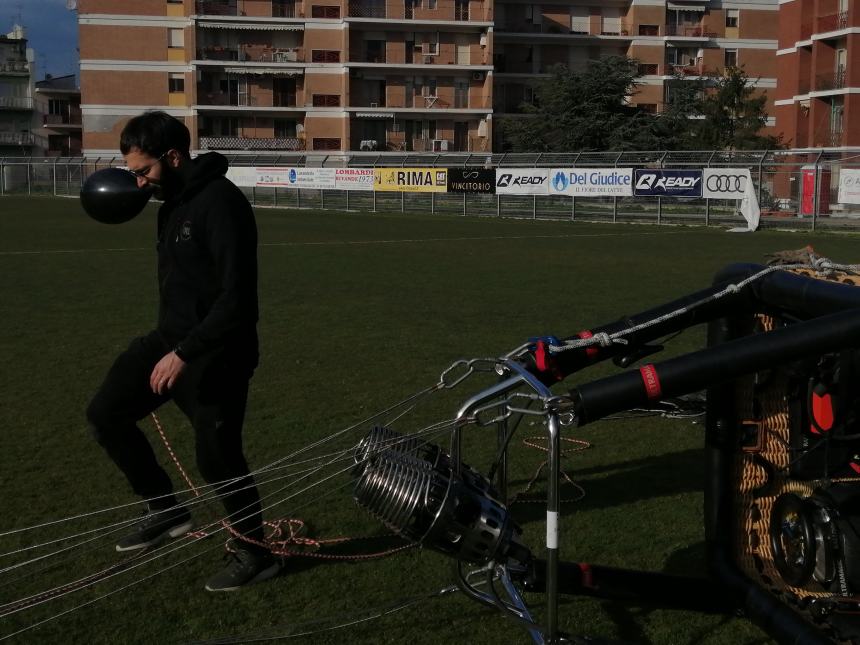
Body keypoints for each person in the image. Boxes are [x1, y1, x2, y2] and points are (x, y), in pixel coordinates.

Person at [86, 111, 279, 591]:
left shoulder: (221, 203)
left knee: (218, 460)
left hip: (219, 352)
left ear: (173, 157)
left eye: (144, 170)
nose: (139, 181)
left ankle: (257, 555)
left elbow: (238, 301)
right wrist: (170, 346)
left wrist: (186, 353)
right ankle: (165, 509)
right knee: (106, 413)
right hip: (169, 339)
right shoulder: (170, 203)